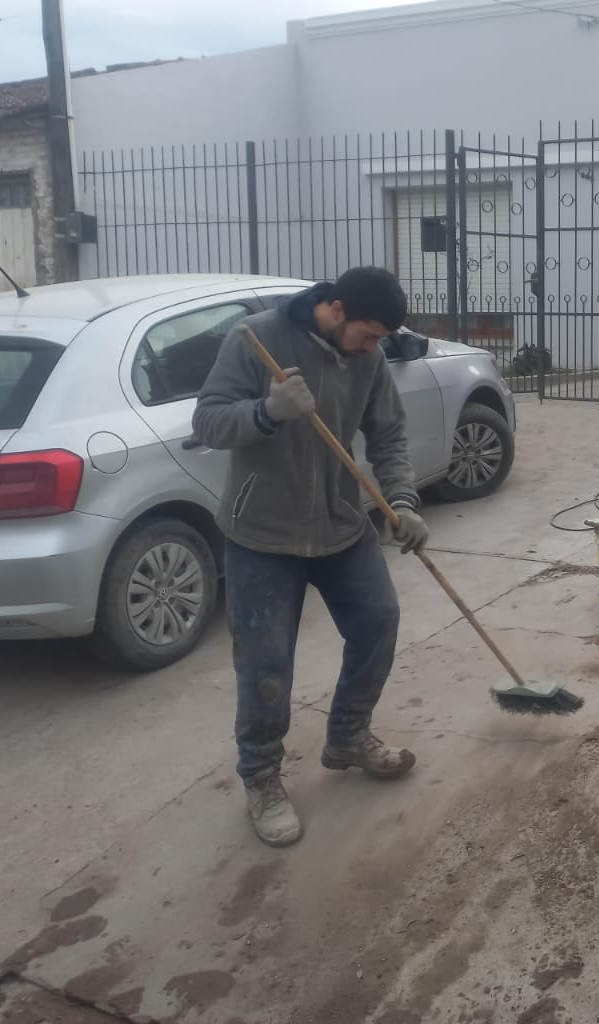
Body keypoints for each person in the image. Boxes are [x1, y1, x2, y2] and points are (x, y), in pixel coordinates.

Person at [193, 266, 429, 848]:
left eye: (381, 340)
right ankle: (262, 777)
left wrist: (400, 500)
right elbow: (207, 422)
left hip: (339, 523)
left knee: (378, 621)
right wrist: (266, 412)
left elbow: (389, 435)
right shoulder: (256, 337)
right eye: (370, 334)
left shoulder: (368, 359)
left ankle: (347, 736)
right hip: (261, 535)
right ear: (337, 308)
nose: (374, 349)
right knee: (266, 665)